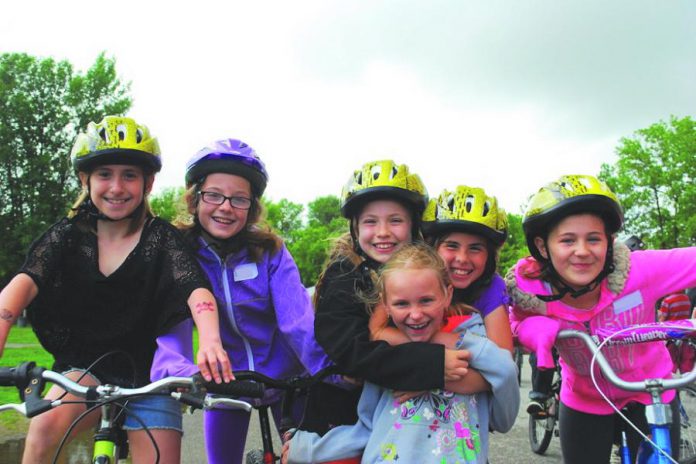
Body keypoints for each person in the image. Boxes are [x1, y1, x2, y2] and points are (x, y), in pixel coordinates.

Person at [0, 116, 231, 464]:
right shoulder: (67, 235)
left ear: (148, 183)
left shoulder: (161, 238)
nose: (117, 187)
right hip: (86, 367)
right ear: (85, 179)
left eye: (130, 175)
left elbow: (195, 289)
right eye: (104, 174)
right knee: (43, 428)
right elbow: (24, 283)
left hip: (152, 375)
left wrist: (211, 341)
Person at [150, 138, 334, 464]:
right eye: (214, 195)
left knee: (311, 458)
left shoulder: (271, 251)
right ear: (194, 200)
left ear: (252, 208)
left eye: (239, 199)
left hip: (287, 379)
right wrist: (181, 371)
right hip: (223, 383)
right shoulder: (178, 253)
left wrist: (331, 372)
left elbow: (298, 322)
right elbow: (171, 326)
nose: (225, 207)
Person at [506, 174, 696, 463]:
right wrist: (531, 329)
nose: (582, 251)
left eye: (593, 239)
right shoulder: (529, 289)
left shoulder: (639, 271)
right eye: (567, 240)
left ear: (609, 242)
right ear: (544, 247)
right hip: (584, 399)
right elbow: (511, 322)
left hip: (651, 391)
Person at [300, 160, 485, 445]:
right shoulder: (344, 275)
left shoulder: (426, 273)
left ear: (413, 227)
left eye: (395, 220)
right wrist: (431, 365)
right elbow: (350, 350)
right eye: (370, 221)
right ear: (355, 227)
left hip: (410, 421)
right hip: (342, 417)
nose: (383, 232)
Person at [282, 243, 518, 463]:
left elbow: (504, 385)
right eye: (402, 304)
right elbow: (366, 427)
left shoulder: (472, 339)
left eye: (426, 300)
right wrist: (308, 448)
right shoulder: (386, 357)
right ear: (385, 303)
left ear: (447, 294)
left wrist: (457, 342)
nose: (415, 314)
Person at [420, 185, 514, 352]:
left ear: (489, 257)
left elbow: (503, 359)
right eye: (451, 246)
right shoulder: (413, 279)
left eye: (475, 248)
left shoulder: (490, 287)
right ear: (433, 249)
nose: (462, 258)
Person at [658, 289, 695, 374]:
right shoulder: (686, 298)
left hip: (670, 335)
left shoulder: (667, 301)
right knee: (684, 360)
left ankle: (672, 380)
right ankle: (685, 381)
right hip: (684, 333)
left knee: (671, 359)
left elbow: (661, 321)